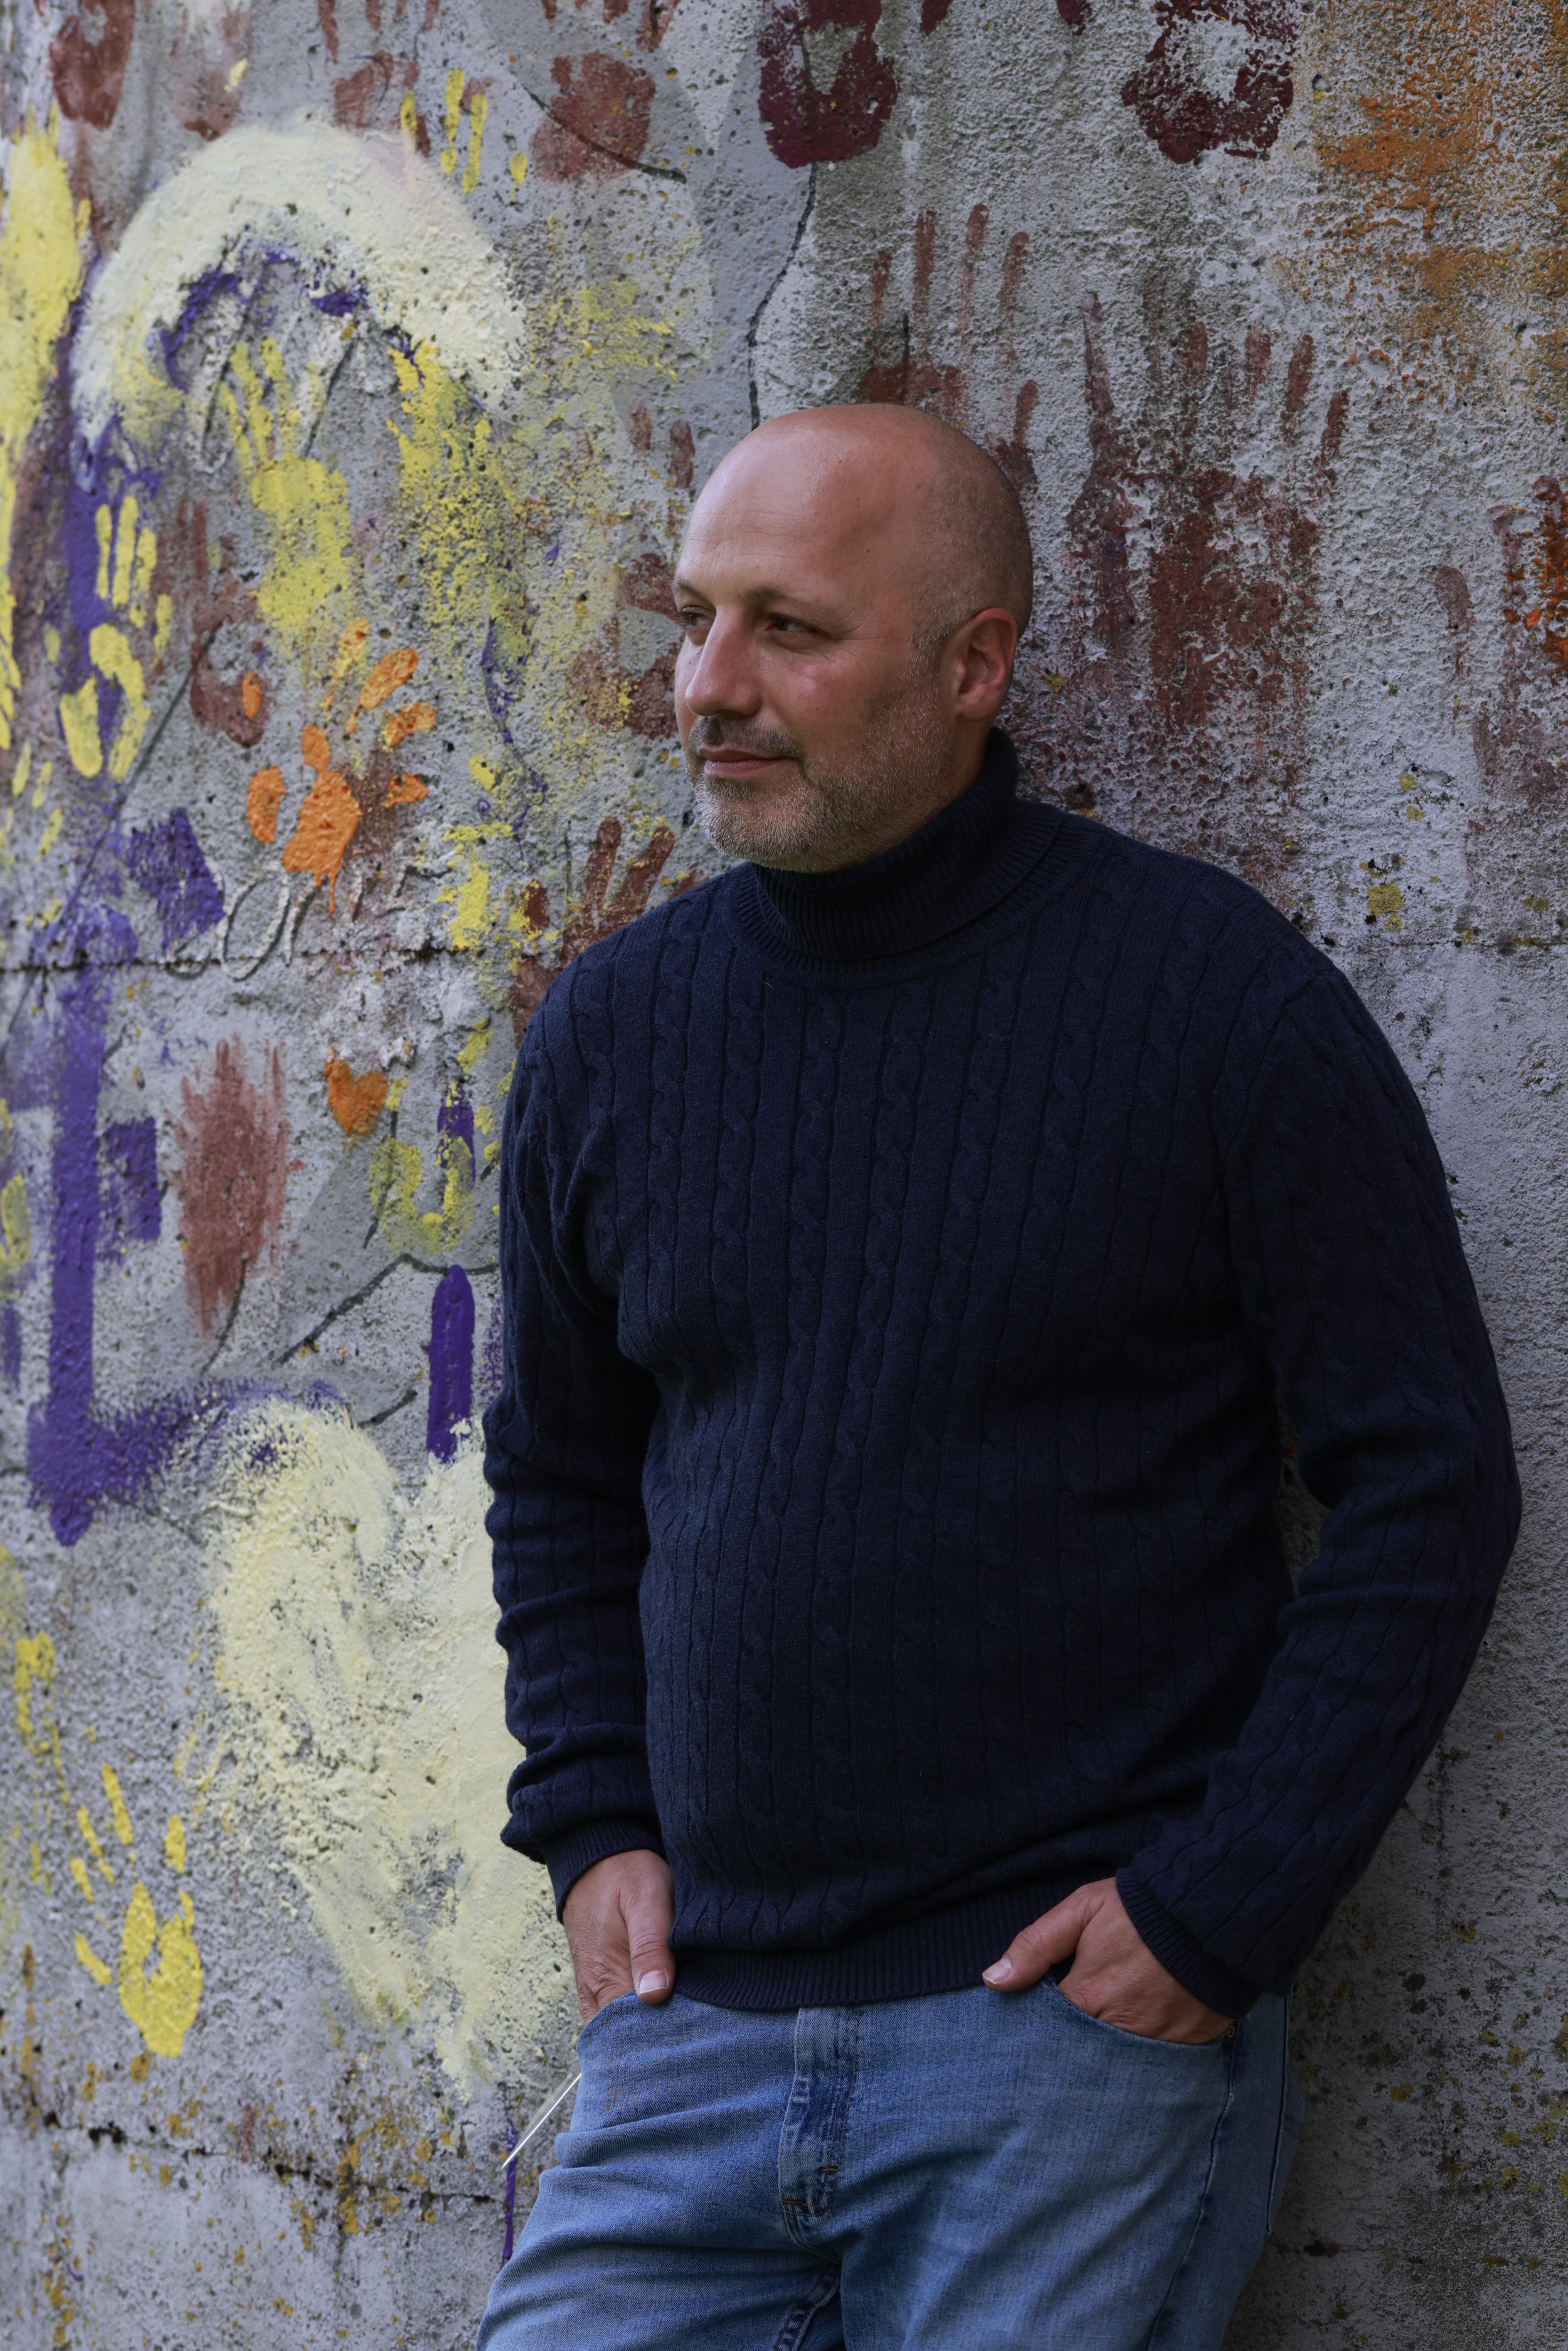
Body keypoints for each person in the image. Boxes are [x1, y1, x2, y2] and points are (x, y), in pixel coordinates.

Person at [478, 405, 1518, 2350]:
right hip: (684, 2041)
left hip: (1057, 2056)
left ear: (974, 663)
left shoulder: (1214, 1006)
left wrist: (1217, 1910)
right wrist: (592, 1813)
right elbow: (558, 1473)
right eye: (692, 619)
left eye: (787, 630)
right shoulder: (615, 1035)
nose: (706, 686)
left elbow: (1430, 1480)